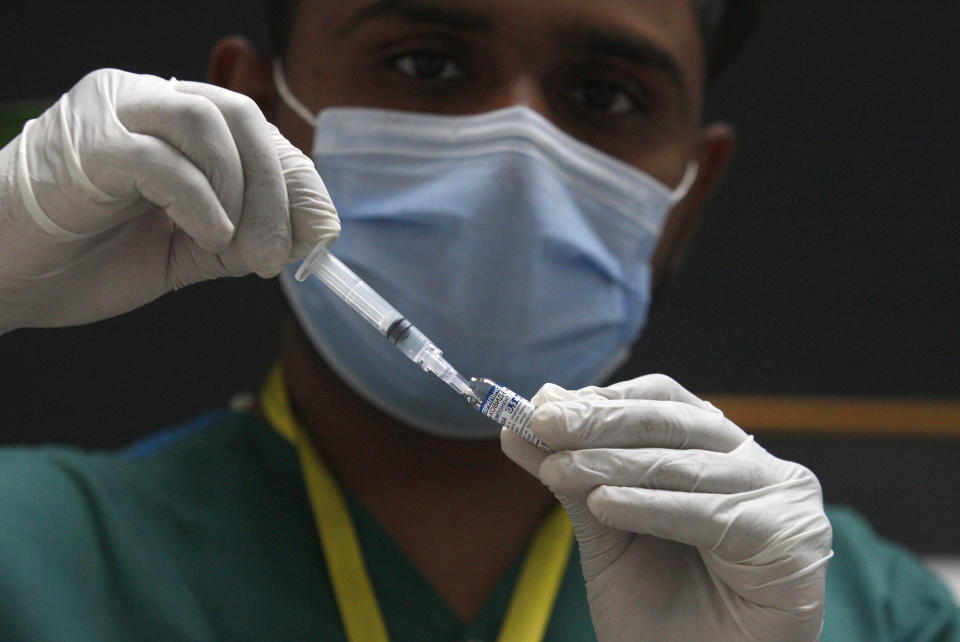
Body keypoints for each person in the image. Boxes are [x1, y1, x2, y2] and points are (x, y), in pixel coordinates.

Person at [0, 0, 956, 640]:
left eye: (604, 95)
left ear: (686, 199)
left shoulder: (855, 610)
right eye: (427, 61)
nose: (517, 148)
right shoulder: (32, 558)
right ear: (258, 112)